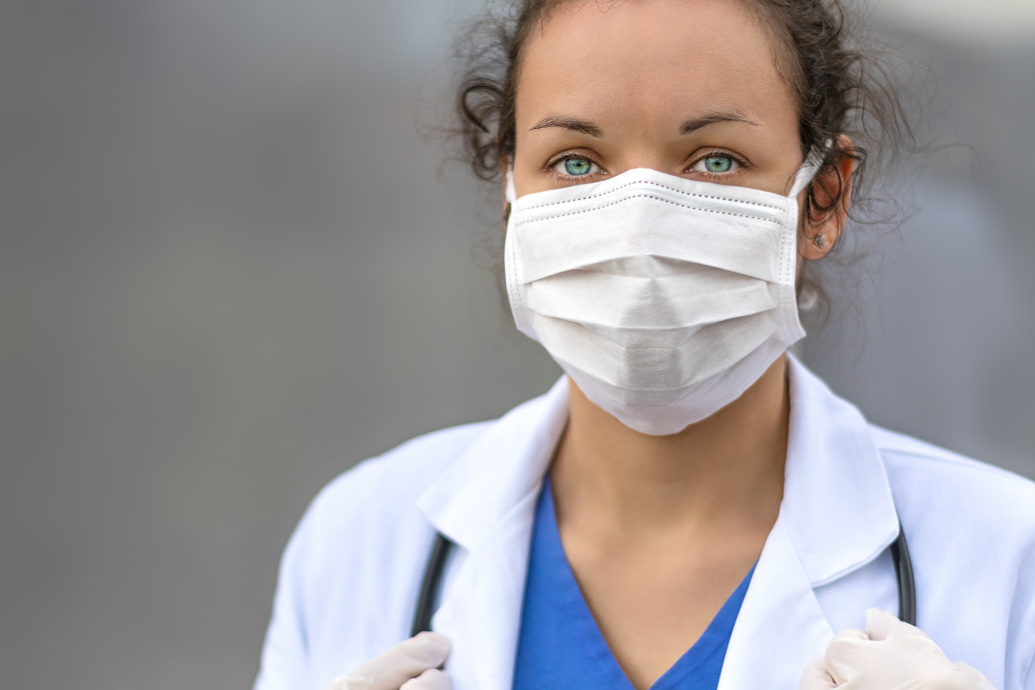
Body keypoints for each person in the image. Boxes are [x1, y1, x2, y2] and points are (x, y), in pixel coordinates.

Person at [253, 1, 1035, 689]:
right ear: (510, 195)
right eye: (575, 162)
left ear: (821, 200)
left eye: (714, 160)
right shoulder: (357, 539)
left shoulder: (1007, 559)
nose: (637, 224)